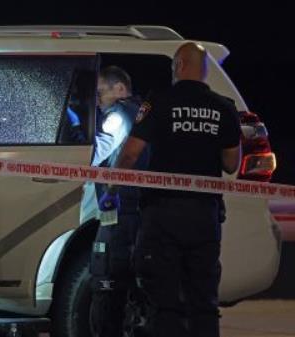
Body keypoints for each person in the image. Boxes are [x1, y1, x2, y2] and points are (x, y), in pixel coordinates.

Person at [99, 42, 242, 337]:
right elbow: (231, 163)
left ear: (178, 66)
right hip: (205, 216)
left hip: (163, 214)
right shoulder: (224, 107)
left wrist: (112, 187)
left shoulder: (158, 101)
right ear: (203, 70)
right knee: (203, 300)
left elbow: (130, 155)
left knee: (164, 301)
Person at [68, 66, 150, 337]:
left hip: (119, 210)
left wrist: (76, 125)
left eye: (100, 92)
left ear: (119, 89)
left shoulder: (117, 116)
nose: (97, 99)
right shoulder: (141, 113)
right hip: (137, 209)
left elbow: (93, 156)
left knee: (106, 277)